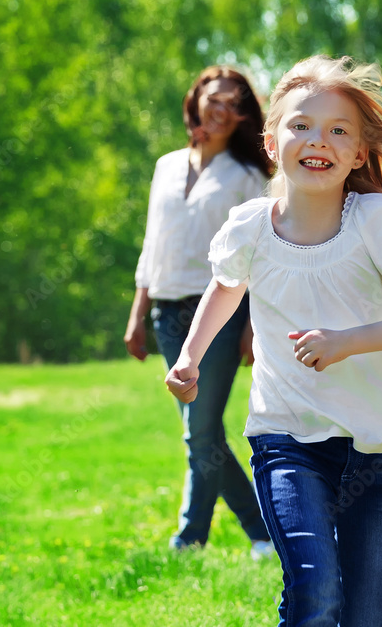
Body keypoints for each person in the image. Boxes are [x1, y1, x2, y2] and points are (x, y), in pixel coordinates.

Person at [165, 56, 382, 627]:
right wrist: (189, 357)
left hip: (374, 448)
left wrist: (347, 342)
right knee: (315, 593)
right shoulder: (250, 226)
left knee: (370, 616)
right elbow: (224, 289)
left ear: (359, 154)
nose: (318, 139)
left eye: (338, 130)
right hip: (286, 440)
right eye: (301, 125)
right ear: (272, 143)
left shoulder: (378, 221)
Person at [123, 66, 274, 557]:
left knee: (201, 431)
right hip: (167, 312)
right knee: (201, 433)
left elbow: (260, 255)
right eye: (215, 98)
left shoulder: (249, 176)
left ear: (243, 116)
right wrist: (138, 313)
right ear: (196, 101)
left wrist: (252, 326)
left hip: (220, 314)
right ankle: (263, 533)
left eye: (234, 103)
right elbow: (152, 243)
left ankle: (190, 539)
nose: (222, 109)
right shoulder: (166, 165)